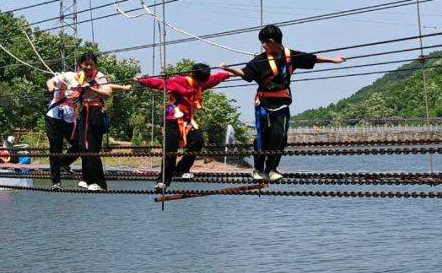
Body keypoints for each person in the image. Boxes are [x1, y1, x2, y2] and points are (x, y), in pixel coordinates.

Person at [220, 24, 344, 182]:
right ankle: (258, 170)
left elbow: (312, 58)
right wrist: (230, 69)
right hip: (263, 104)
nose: (263, 46)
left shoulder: (290, 56)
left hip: (282, 104)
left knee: (279, 137)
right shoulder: (260, 60)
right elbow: (246, 73)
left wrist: (334, 61)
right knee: (261, 138)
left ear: (271, 41)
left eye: (264, 43)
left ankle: (271, 169)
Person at [134, 62, 232, 191]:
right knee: (170, 151)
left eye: (202, 83)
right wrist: (142, 80)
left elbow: (215, 78)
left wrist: (228, 73)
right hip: (172, 118)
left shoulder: (202, 82)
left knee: (198, 141)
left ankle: (181, 169)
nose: (200, 85)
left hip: (188, 120)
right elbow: (160, 83)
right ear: (192, 75)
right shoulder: (179, 81)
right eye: (198, 82)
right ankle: (163, 181)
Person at [70, 52, 114, 192]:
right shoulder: (79, 76)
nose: (88, 67)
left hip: (95, 112)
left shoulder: (98, 76)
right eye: (85, 64)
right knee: (83, 146)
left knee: (92, 148)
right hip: (84, 111)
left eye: (91, 64)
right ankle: (87, 178)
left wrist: (91, 88)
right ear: (80, 65)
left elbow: (107, 93)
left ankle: (100, 183)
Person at [45, 67, 82, 189]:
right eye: (83, 69)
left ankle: (64, 164)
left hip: (69, 119)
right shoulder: (67, 76)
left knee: (79, 145)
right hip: (54, 117)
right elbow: (52, 81)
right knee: (56, 148)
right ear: (78, 68)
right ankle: (56, 181)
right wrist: (51, 86)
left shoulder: (85, 83)